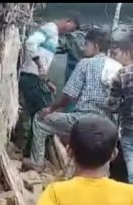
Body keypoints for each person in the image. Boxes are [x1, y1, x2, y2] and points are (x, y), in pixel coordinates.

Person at [22, 29, 121, 171]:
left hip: (83, 119)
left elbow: (69, 95)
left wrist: (51, 109)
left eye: (86, 44)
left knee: (40, 119)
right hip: (108, 125)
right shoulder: (118, 67)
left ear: (96, 47)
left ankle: (37, 162)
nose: (83, 48)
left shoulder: (86, 64)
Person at [16, 16, 79, 157]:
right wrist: (39, 64)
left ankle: (30, 153)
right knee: (43, 114)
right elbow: (30, 43)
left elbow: (43, 68)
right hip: (30, 77)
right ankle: (34, 157)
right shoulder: (49, 29)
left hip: (35, 78)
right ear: (68, 21)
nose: (69, 32)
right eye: (71, 28)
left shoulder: (54, 34)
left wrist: (48, 82)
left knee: (37, 114)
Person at [107, 32, 133, 183]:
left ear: (128, 52)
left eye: (118, 53)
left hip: (129, 129)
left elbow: (112, 104)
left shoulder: (123, 74)